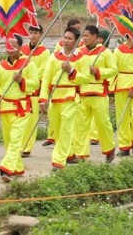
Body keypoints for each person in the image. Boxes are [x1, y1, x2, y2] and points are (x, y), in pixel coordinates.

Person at [0, 36, 39, 182]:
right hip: (6, 107)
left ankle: (6, 168)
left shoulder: (28, 64)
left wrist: (22, 81)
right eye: (8, 44)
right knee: (9, 140)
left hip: (21, 108)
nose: (10, 47)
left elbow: (35, 84)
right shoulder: (1, 65)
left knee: (16, 140)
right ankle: (17, 167)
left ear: (20, 47)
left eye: (14, 45)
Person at [41, 27, 91, 168]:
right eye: (65, 37)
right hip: (55, 96)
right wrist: (43, 99)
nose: (66, 41)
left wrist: (71, 71)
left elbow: (86, 79)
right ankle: (69, 153)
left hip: (71, 96)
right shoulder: (54, 56)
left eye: (70, 38)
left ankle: (58, 160)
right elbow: (46, 79)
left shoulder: (82, 58)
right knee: (57, 129)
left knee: (66, 128)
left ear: (76, 41)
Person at [74, 26, 116, 162]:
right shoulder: (79, 52)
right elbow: (74, 70)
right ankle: (81, 154)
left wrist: (97, 71)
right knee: (80, 125)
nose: (84, 38)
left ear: (95, 37)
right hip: (83, 92)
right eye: (83, 36)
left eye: (87, 35)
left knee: (103, 124)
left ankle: (109, 149)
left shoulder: (105, 52)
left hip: (99, 92)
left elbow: (114, 70)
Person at [20, 24, 49, 157]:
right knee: (20, 120)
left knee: (31, 120)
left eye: (36, 33)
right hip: (20, 89)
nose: (33, 35)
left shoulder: (45, 52)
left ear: (41, 34)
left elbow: (43, 70)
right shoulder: (23, 49)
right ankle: (18, 145)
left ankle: (27, 147)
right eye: (31, 32)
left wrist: (28, 79)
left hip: (33, 89)